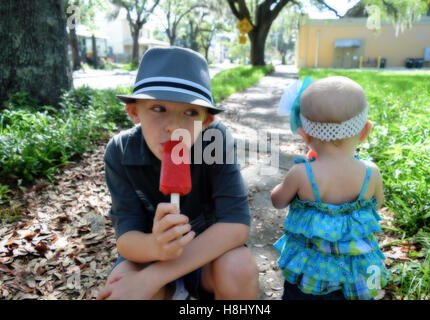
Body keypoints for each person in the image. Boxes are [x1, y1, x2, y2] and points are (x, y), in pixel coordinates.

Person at [97, 47, 258, 300]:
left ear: (206, 121)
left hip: (206, 257)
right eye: (158, 108)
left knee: (239, 268)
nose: (173, 127)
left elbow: (236, 226)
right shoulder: (119, 151)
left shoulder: (215, 140)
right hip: (148, 254)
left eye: (190, 112)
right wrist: (155, 247)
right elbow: (126, 238)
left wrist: (152, 278)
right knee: (121, 283)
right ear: (134, 112)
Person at [271, 76, 388, 300]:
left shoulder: (302, 174)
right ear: (365, 131)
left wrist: (281, 187)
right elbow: (377, 204)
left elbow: (278, 201)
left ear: (304, 134)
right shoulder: (371, 172)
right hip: (357, 276)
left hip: (310, 277)